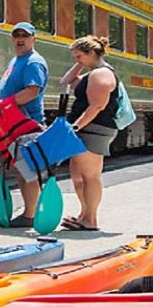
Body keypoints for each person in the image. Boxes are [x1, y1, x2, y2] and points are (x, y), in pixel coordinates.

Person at [0, 22, 49, 228]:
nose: (20, 39)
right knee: (21, 170)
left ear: (33, 39)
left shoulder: (33, 62)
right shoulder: (17, 60)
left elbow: (31, 91)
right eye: (16, 35)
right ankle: (29, 212)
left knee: (28, 171)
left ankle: (30, 215)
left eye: (25, 35)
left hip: (27, 125)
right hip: (14, 124)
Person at [59, 35, 120, 231]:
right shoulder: (92, 72)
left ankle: (91, 219)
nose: (77, 60)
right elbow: (66, 81)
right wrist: (80, 64)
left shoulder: (101, 74)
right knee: (78, 176)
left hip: (93, 129)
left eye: (79, 56)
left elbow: (97, 106)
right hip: (85, 129)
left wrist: (75, 127)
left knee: (90, 176)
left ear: (92, 53)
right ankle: (83, 215)